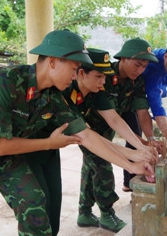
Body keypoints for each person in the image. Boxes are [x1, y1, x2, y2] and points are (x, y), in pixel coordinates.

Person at [0, 29, 154, 236]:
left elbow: (85, 134)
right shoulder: (3, 83)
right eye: (74, 69)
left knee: (34, 204)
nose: (76, 76)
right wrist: (49, 143)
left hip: (1, 161)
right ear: (53, 61)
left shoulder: (52, 97)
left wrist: (132, 163)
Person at [61, 48, 158, 233]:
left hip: (89, 133)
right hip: (75, 135)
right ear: (81, 73)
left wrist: (140, 148)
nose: (103, 82)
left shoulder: (95, 91)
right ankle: (106, 213)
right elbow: (87, 136)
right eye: (98, 76)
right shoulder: (65, 93)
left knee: (92, 167)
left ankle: (84, 211)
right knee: (102, 164)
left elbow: (114, 119)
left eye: (104, 76)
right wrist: (131, 158)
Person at [122, 40, 167, 190]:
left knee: (140, 138)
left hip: (139, 100)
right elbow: (155, 107)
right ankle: (131, 182)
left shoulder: (164, 60)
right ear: (166, 57)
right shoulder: (153, 70)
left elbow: (145, 108)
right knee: (134, 136)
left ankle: (131, 181)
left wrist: (151, 139)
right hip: (126, 99)